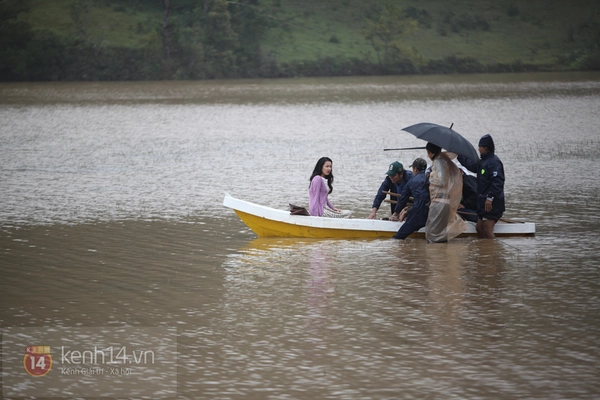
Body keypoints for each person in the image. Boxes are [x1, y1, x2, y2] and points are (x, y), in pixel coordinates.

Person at [457, 134, 505, 238]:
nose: (478, 149)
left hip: (492, 203)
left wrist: (490, 198)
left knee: (487, 229)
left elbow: (498, 182)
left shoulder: (494, 162)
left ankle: (494, 251)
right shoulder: (483, 162)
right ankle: (484, 252)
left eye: (480, 147)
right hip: (482, 203)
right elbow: (471, 165)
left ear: (485, 148)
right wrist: (459, 155)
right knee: (479, 227)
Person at [425, 142, 466, 243]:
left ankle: (435, 256)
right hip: (443, 201)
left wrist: (430, 176)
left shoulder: (439, 161)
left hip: (440, 202)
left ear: (430, 152)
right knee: (440, 233)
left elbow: (442, 180)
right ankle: (442, 255)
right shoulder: (443, 160)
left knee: (432, 233)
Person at [391, 158, 430, 239]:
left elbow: (402, 199)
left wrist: (396, 213)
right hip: (432, 209)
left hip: (419, 209)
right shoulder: (430, 179)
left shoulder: (411, 181)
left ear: (415, 169)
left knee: (398, 237)